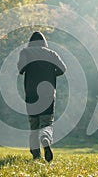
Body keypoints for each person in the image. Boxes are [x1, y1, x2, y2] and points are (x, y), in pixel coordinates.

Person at [17, 31, 66, 162]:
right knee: (46, 122)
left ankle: (36, 154)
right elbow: (63, 69)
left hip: (31, 93)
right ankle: (45, 139)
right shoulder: (51, 53)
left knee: (34, 125)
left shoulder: (25, 52)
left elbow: (21, 69)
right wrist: (50, 74)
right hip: (48, 93)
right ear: (44, 42)